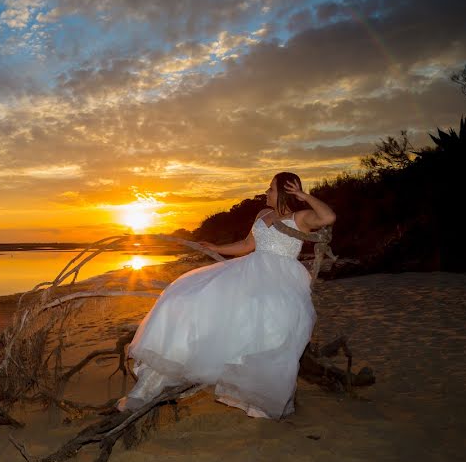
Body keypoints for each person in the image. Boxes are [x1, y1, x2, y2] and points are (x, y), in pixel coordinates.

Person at [118, 172, 336, 418]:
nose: (266, 192)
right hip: (249, 269)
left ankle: (259, 396)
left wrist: (304, 196)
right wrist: (217, 248)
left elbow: (328, 216)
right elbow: (246, 245)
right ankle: (161, 375)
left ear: (285, 192)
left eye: (271, 189)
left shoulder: (300, 218)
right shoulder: (262, 215)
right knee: (187, 297)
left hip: (281, 278)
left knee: (262, 321)